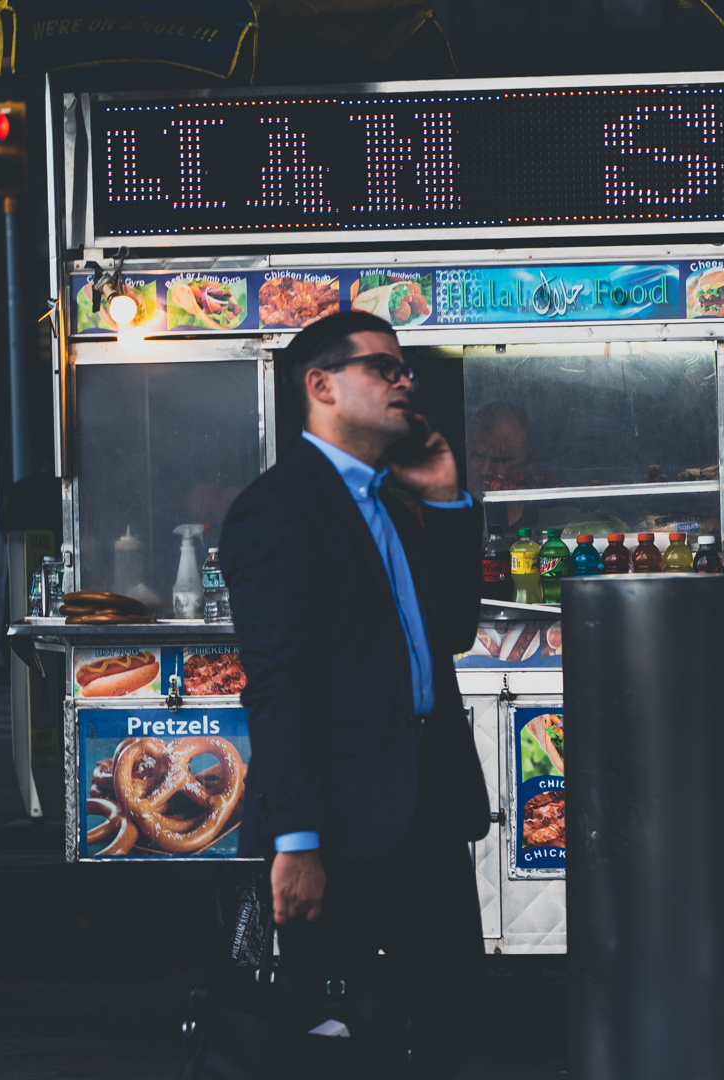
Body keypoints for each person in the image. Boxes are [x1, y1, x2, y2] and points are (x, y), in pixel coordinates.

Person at [220, 311, 488, 1078]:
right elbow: (277, 683)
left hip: (427, 810)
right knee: (347, 1042)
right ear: (322, 385)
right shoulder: (279, 509)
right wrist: (296, 841)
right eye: (385, 368)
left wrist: (441, 499)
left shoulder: (388, 505)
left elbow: (454, 631)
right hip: (343, 831)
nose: (407, 383)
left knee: (448, 1027)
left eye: (407, 370)